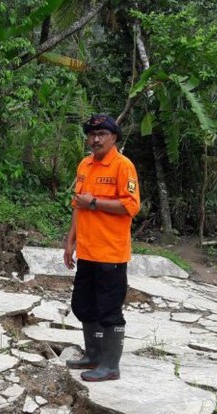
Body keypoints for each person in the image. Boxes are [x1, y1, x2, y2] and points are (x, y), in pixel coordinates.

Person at [63, 114, 140, 382]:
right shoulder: (85, 164)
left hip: (111, 253)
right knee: (84, 305)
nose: (95, 139)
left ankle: (110, 366)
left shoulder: (123, 166)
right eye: (92, 134)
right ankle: (93, 355)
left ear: (114, 137)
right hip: (87, 250)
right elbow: (78, 205)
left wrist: (95, 202)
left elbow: (131, 206)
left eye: (102, 134)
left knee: (109, 310)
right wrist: (70, 239)